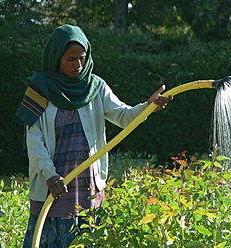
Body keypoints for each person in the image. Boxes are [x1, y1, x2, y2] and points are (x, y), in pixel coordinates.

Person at [14, 24, 173, 247]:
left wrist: (148, 106)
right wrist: (49, 174)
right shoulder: (41, 89)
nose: (78, 65)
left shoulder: (95, 86)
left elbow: (124, 116)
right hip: (55, 185)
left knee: (88, 237)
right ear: (56, 57)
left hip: (87, 183)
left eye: (82, 57)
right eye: (71, 59)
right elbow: (34, 139)